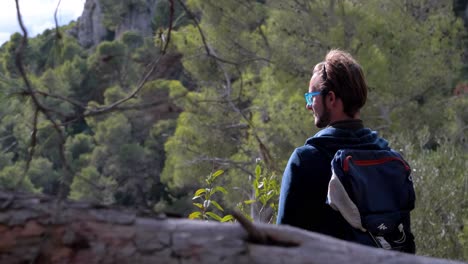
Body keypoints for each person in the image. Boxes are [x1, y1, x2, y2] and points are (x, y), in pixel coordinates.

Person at [276, 49, 415, 252]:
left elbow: (282, 242)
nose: (308, 106)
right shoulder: (390, 160)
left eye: (311, 96)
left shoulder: (305, 161)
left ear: (331, 99)